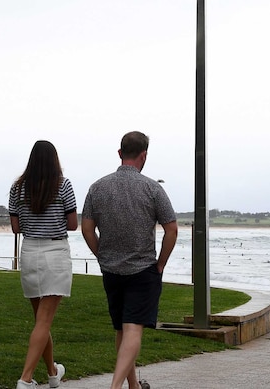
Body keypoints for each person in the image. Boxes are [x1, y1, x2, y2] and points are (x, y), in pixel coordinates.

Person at [81, 131, 178, 389]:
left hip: (111, 270)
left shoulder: (97, 187)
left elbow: (87, 229)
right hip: (143, 269)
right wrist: (160, 264)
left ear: (120, 153)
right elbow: (172, 229)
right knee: (133, 329)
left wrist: (101, 254)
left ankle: (133, 385)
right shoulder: (153, 188)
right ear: (144, 155)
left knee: (122, 330)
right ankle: (115, 387)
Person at [9, 140, 78, 389]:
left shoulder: (17, 188)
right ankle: (25, 379)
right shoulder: (63, 185)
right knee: (44, 320)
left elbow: (16, 227)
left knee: (40, 319)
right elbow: (72, 224)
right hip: (55, 251)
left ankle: (52, 374)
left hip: (29, 252)